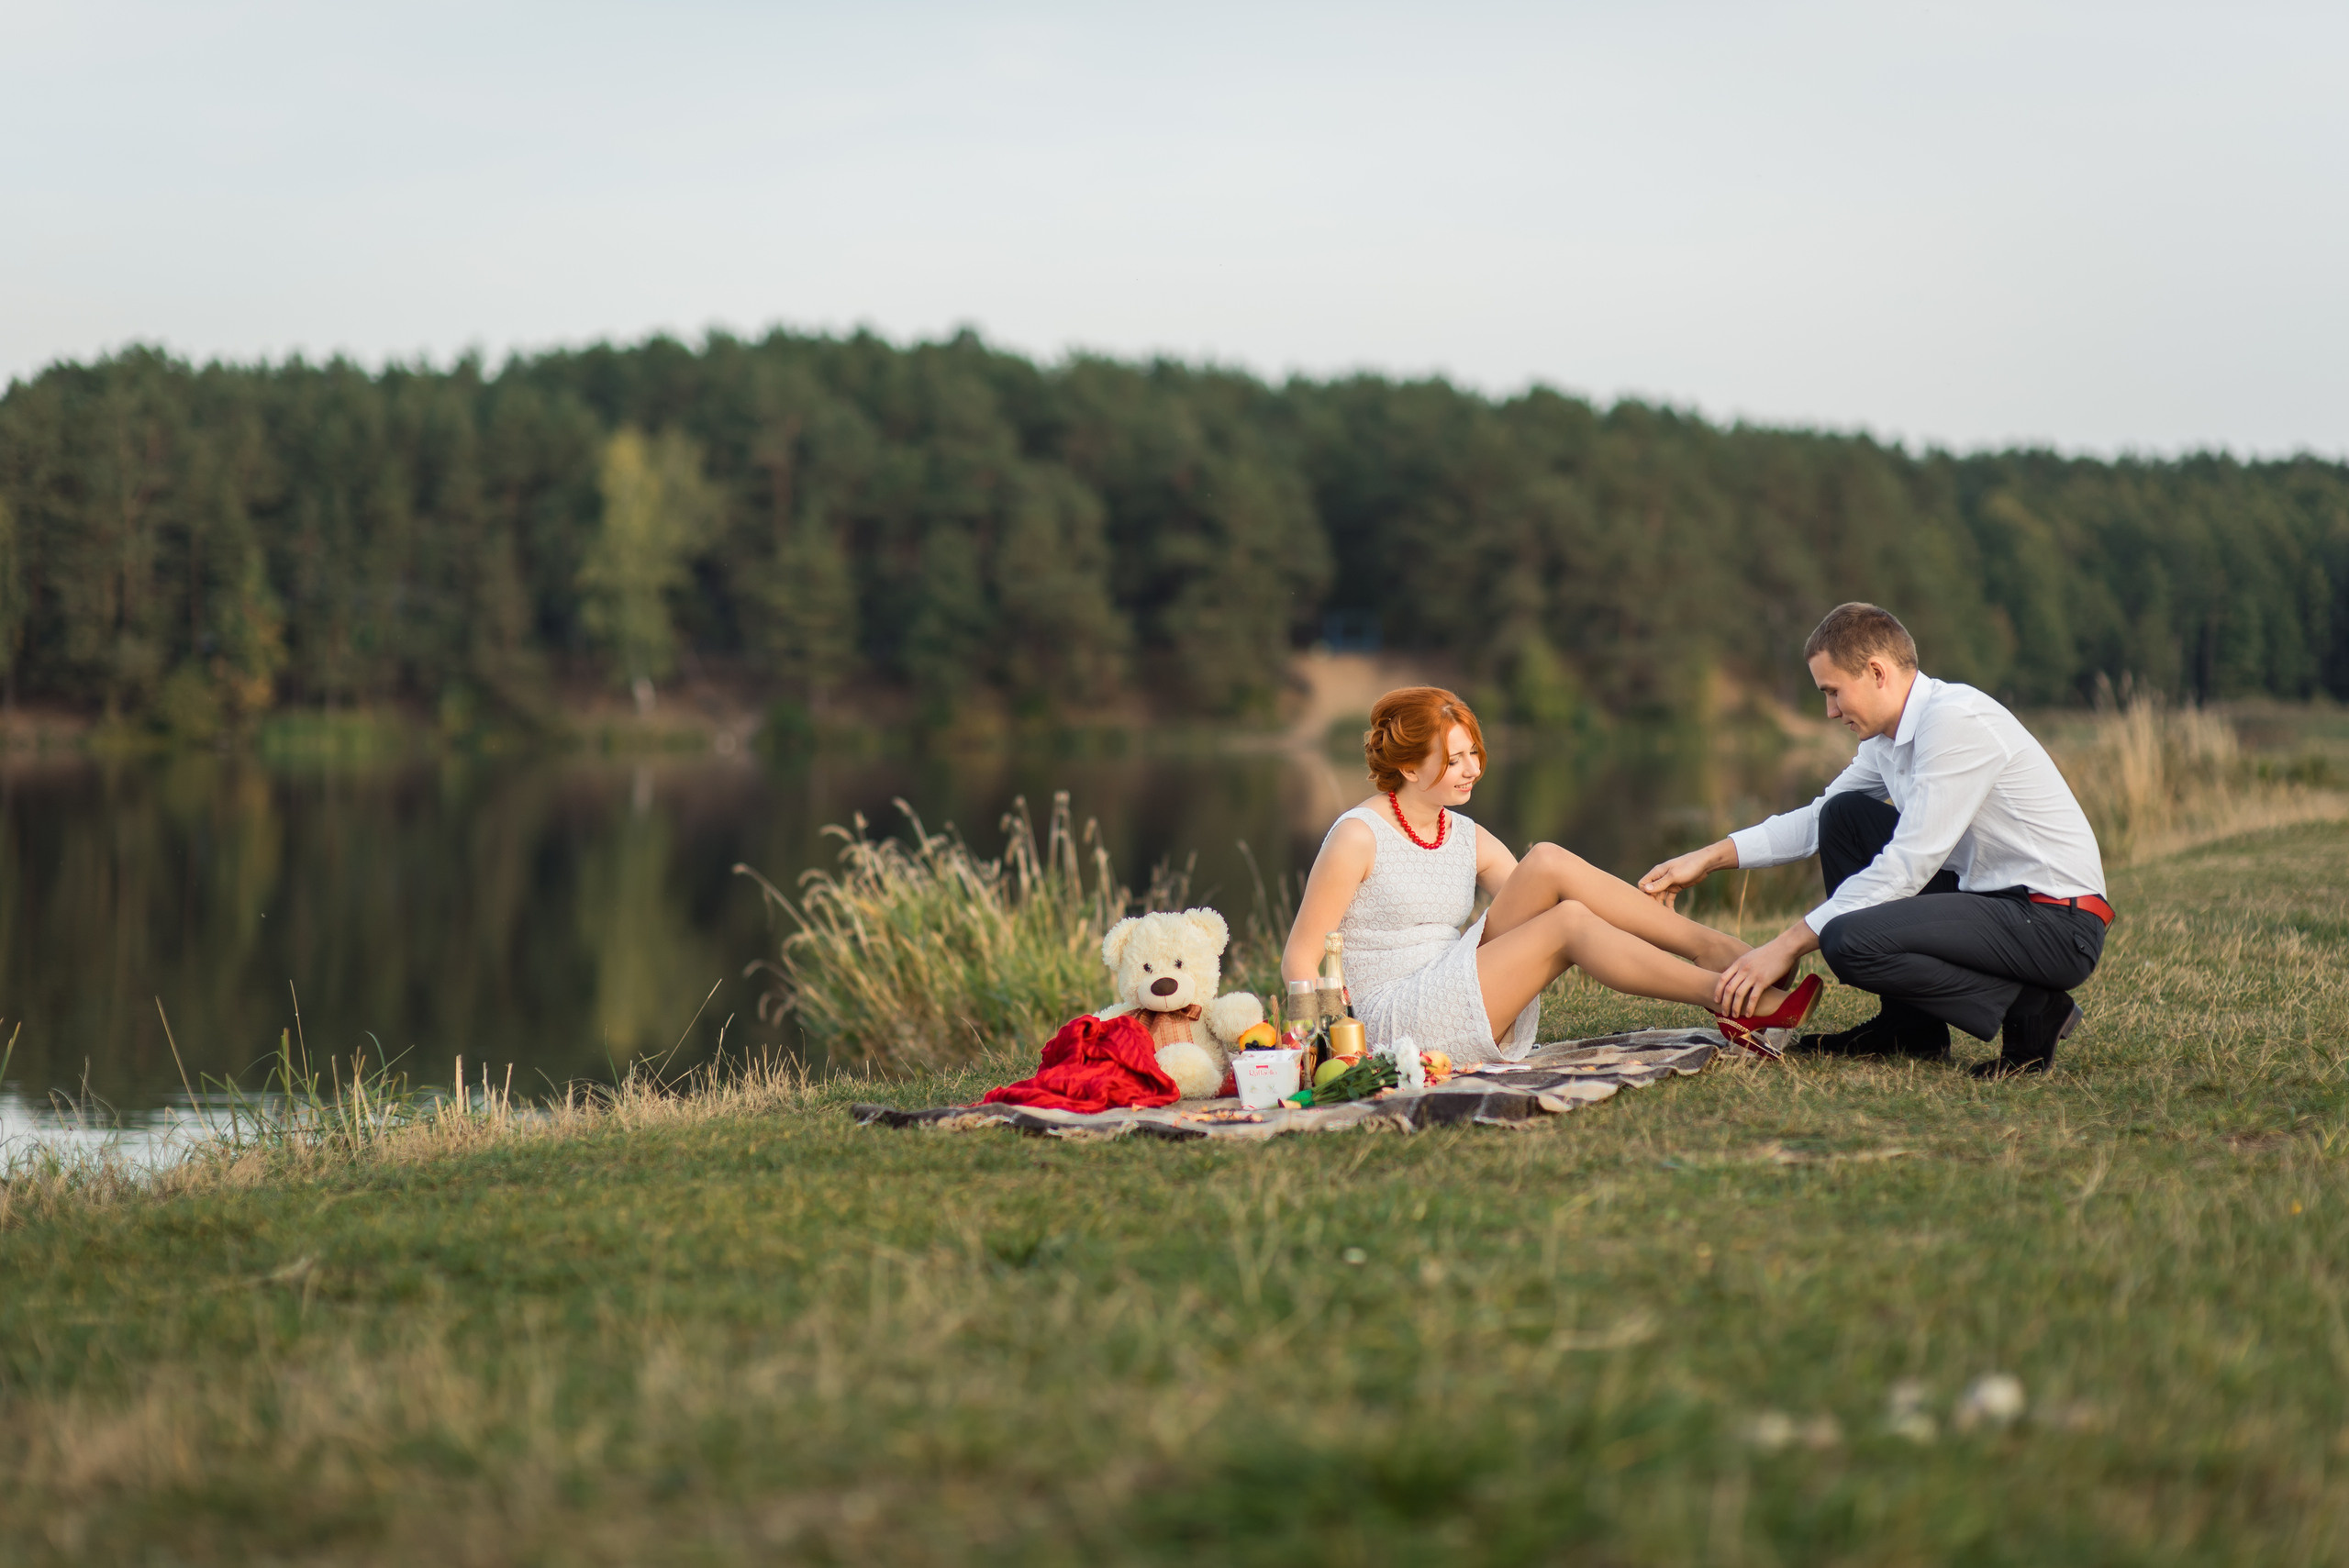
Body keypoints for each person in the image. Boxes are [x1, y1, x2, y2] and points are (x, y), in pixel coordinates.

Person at [1639, 603, 2111, 1079]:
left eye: (1833, 692)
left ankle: (2032, 1011)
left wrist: (1785, 945)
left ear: (1877, 672)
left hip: (2056, 922)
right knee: (1843, 817)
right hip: (1996, 902)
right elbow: (1814, 820)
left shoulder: (1954, 723)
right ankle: (1911, 1028)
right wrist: (1707, 859)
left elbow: (1908, 866)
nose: (1829, 711)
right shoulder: (1887, 741)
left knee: (1848, 939)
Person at [1283, 685, 1820, 1064]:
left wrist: (1638, 914)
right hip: (1392, 1023)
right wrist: (1326, 1052)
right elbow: (1300, 957)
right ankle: (1732, 997)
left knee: (1548, 863)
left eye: (1473, 753)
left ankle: (1716, 950)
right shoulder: (1358, 835)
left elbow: (1540, 892)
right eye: (1453, 759)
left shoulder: (1463, 833)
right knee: (1568, 924)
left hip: (1454, 977)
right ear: (1407, 766)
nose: (1471, 769)